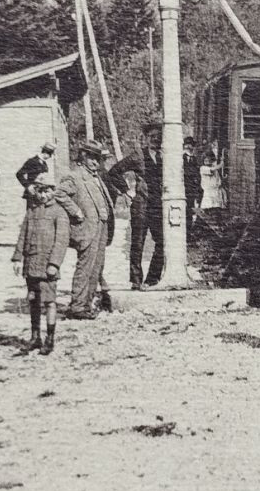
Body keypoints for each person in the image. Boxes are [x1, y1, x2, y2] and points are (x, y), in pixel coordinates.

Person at [13, 181, 79, 353]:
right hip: (31, 263)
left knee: (49, 301)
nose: (42, 195)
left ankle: (50, 338)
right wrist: (17, 258)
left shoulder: (59, 213)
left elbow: (61, 241)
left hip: (47, 265)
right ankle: (35, 337)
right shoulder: (31, 211)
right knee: (33, 299)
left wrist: (54, 264)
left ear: (53, 191)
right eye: (39, 191)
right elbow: (22, 235)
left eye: (46, 191)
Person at [57, 139, 116, 319]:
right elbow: (59, 193)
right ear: (83, 157)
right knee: (85, 267)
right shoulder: (74, 176)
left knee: (96, 268)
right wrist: (76, 212)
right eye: (91, 158)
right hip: (88, 229)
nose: (95, 162)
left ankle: (86, 305)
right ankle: (77, 306)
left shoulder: (96, 177)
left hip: (101, 228)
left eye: (98, 159)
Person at [105, 122, 164, 289]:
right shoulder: (138, 156)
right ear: (146, 138)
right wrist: (127, 191)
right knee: (138, 242)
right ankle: (136, 280)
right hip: (141, 205)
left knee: (162, 242)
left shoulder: (164, 156)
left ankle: (153, 278)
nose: (156, 140)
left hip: (158, 205)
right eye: (152, 137)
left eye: (159, 137)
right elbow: (114, 172)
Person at [199, 149, 228, 229]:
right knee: (211, 209)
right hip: (209, 192)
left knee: (217, 209)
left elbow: (217, 178)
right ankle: (215, 226)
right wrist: (222, 163)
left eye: (209, 160)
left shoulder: (213, 168)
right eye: (205, 160)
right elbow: (213, 169)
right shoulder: (203, 168)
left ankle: (219, 226)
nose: (207, 161)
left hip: (216, 192)